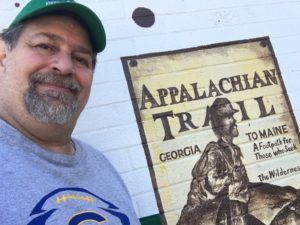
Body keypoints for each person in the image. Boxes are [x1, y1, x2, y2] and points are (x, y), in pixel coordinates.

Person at [0, 0, 140, 224]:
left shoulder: (101, 165)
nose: (65, 66)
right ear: (3, 55)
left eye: (80, 59)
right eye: (45, 46)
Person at [177, 98, 264, 225]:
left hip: (231, 208)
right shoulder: (214, 152)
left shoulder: (233, 151)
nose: (233, 120)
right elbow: (213, 186)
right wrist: (231, 178)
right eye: (227, 117)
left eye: (232, 116)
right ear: (218, 123)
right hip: (203, 214)